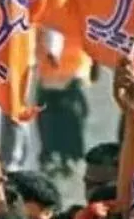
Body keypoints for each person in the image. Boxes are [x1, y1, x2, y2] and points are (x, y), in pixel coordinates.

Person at [36, 29, 91, 176]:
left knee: (69, 115)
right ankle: (56, 156)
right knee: (54, 116)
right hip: (54, 70)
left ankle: (67, 156)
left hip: (71, 67)